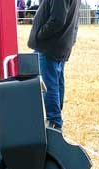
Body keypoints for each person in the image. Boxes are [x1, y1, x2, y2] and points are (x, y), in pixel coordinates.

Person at [27, 0, 80, 130]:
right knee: (56, 82)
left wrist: (40, 34)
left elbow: (57, 19)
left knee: (49, 85)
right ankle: (55, 118)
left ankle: (54, 122)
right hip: (60, 44)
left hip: (49, 45)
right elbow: (74, 19)